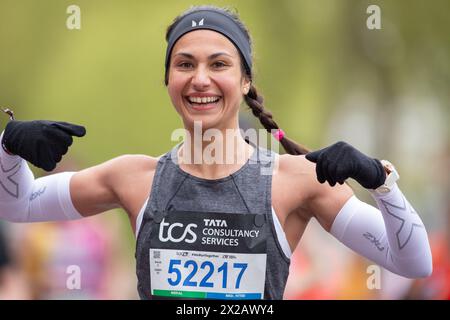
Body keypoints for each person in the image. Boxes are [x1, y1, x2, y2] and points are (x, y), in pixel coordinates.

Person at [0, 5, 432, 300]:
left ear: (245, 81)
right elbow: (17, 206)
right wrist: (9, 150)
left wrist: (381, 180)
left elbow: (413, 262)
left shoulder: (293, 180)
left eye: (219, 64)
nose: (200, 79)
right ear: (167, 78)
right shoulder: (133, 178)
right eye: (185, 64)